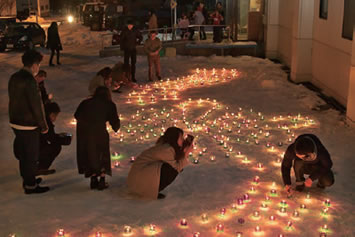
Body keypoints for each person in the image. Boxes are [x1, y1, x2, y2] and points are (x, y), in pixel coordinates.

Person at [8, 49, 49, 194]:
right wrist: (43, 126)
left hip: (15, 121)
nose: (38, 67)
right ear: (33, 65)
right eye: (38, 64)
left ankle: (27, 178)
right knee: (31, 156)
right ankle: (31, 185)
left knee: (23, 154)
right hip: (28, 124)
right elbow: (36, 106)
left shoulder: (14, 77)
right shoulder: (30, 81)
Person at [127, 127, 193, 199]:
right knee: (170, 171)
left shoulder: (166, 146)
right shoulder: (167, 150)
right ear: (174, 138)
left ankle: (150, 190)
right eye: (181, 138)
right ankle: (149, 191)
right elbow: (176, 168)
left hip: (137, 180)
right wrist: (186, 152)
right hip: (138, 181)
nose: (183, 140)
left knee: (168, 168)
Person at [74, 86, 120, 190]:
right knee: (101, 153)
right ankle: (102, 180)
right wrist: (115, 126)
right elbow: (115, 122)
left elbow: (77, 115)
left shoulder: (85, 103)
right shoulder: (109, 104)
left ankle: (93, 179)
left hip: (84, 133)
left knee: (89, 153)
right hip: (99, 133)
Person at [37, 102, 66, 175]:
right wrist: (64, 139)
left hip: (23, 148)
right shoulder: (46, 124)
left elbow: (49, 136)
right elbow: (52, 139)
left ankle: (37, 170)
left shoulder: (39, 119)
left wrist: (58, 135)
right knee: (56, 147)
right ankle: (41, 168)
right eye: (55, 116)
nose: (55, 118)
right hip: (32, 150)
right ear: (51, 114)